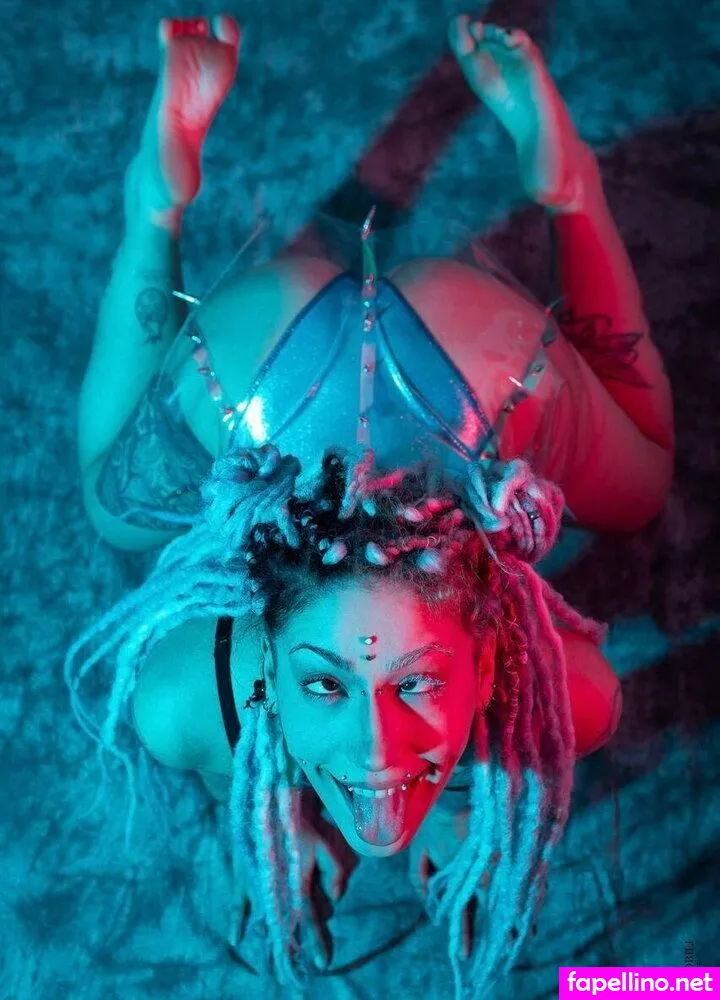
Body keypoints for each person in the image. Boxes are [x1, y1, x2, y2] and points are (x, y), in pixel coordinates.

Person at [65, 13, 674, 999]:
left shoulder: (189, 708)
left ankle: (572, 186)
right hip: (443, 362)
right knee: (637, 483)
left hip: (275, 362)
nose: (375, 755)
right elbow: (244, 741)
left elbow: (251, 737)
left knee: (643, 489)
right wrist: (283, 800)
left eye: (416, 684)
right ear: (266, 662)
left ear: (493, 652)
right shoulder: (191, 702)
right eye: (325, 688)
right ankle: (156, 202)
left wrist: (440, 801)